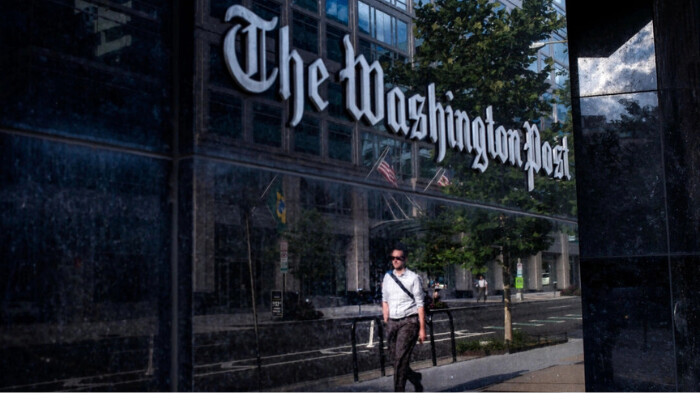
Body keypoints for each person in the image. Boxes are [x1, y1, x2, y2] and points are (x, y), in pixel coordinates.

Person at [382, 246, 426, 392]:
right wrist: (386, 317)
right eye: (393, 258)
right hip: (392, 322)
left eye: (398, 258)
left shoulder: (413, 278)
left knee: (400, 360)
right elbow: (385, 299)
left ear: (405, 260)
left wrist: (422, 329)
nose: (395, 260)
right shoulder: (387, 277)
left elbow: (420, 304)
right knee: (394, 359)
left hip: (409, 321)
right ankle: (414, 377)